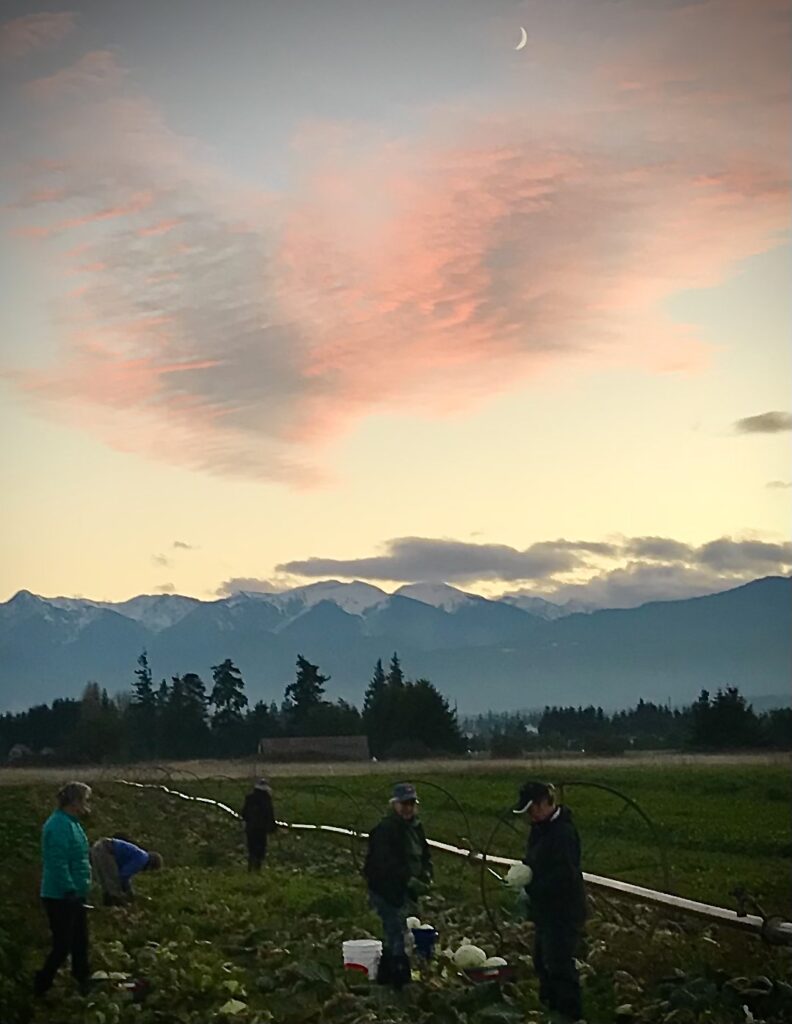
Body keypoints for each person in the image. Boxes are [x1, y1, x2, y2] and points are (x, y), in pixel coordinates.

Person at [513, 780, 587, 1023]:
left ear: (546, 803)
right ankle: (551, 1008)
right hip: (545, 909)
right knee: (542, 960)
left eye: (532, 809)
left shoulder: (563, 833)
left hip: (563, 910)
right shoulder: (541, 828)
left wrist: (533, 885)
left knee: (558, 963)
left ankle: (570, 1014)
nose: (530, 816)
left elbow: (564, 876)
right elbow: (534, 861)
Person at [363, 781, 433, 989]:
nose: (408, 808)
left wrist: (427, 873)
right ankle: (398, 981)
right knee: (396, 933)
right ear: (394, 804)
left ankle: (388, 976)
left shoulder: (415, 827)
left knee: (400, 932)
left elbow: (424, 853)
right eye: (404, 804)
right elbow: (385, 864)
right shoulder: (385, 830)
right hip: (387, 890)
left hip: (405, 890)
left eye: (411, 804)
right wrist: (408, 880)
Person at [34, 781, 93, 997]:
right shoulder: (58, 825)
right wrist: (69, 889)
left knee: (80, 940)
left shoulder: (72, 823)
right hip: (59, 896)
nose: (87, 805)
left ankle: (82, 980)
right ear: (75, 801)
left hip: (75, 893)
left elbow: (78, 858)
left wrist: (80, 888)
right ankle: (42, 982)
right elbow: (57, 862)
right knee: (63, 944)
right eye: (85, 800)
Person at [90, 836, 163, 905]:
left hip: (99, 847)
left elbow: (124, 874)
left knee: (106, 883)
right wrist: (127, 892)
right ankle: (114, 905)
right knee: (113, 885)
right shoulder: (142, 859)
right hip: (106, 850)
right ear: (151, 865)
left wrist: (128, 890)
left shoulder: (139, 855)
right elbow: (124, 875)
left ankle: (107, 906)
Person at [240, 778, 278, 871]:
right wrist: (272, 828)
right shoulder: (266, 800)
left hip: (250, 828)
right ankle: (257, 868)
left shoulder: (249, 798)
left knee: (251, 849)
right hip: (261, 829)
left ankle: (250, 868)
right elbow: (269, 814)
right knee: (260, 850)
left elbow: (244, 813)